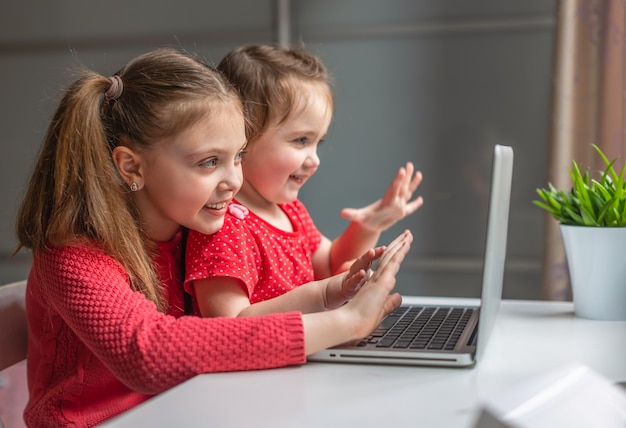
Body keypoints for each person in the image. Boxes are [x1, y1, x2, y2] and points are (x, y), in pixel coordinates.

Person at [14, 47, 413, 427]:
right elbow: (149, 353)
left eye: (238, 156)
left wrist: (331, 294)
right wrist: (347, 323)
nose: (234, 181)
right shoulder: (73, 255)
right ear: (132, 167)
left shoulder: (191, 231)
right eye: (209, 162)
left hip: (185, 411)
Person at [184, 44, 423, 318]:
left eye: (317, 143)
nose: (314, 160)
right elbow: (229, 324)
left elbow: (330, 264)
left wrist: (369, 227)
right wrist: (321, 297)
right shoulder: (221, 227)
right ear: (242, 136)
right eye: (301, 141)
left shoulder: (290, 210)